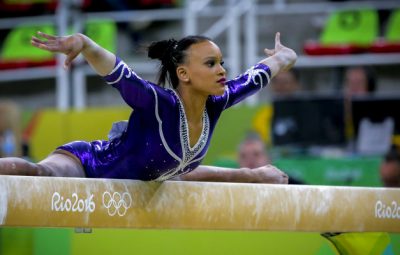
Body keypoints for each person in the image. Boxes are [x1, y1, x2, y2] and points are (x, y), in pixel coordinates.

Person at [0, 31, 296, 184]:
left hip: (145, 178)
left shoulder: (217, 102)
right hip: (88, 166)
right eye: (210, 63)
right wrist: (87, 45)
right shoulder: (160, 104)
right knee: (41, 176)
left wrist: (284, 57)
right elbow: (121, 74)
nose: (221, 70)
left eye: (221, 62)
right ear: (184, 74)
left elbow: (257, 75)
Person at [237, 132, 304, 184]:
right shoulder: (232, 185)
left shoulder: (288, 183)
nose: (250, 160)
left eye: (256, 154)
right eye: (244, 156)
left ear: (269, 158)